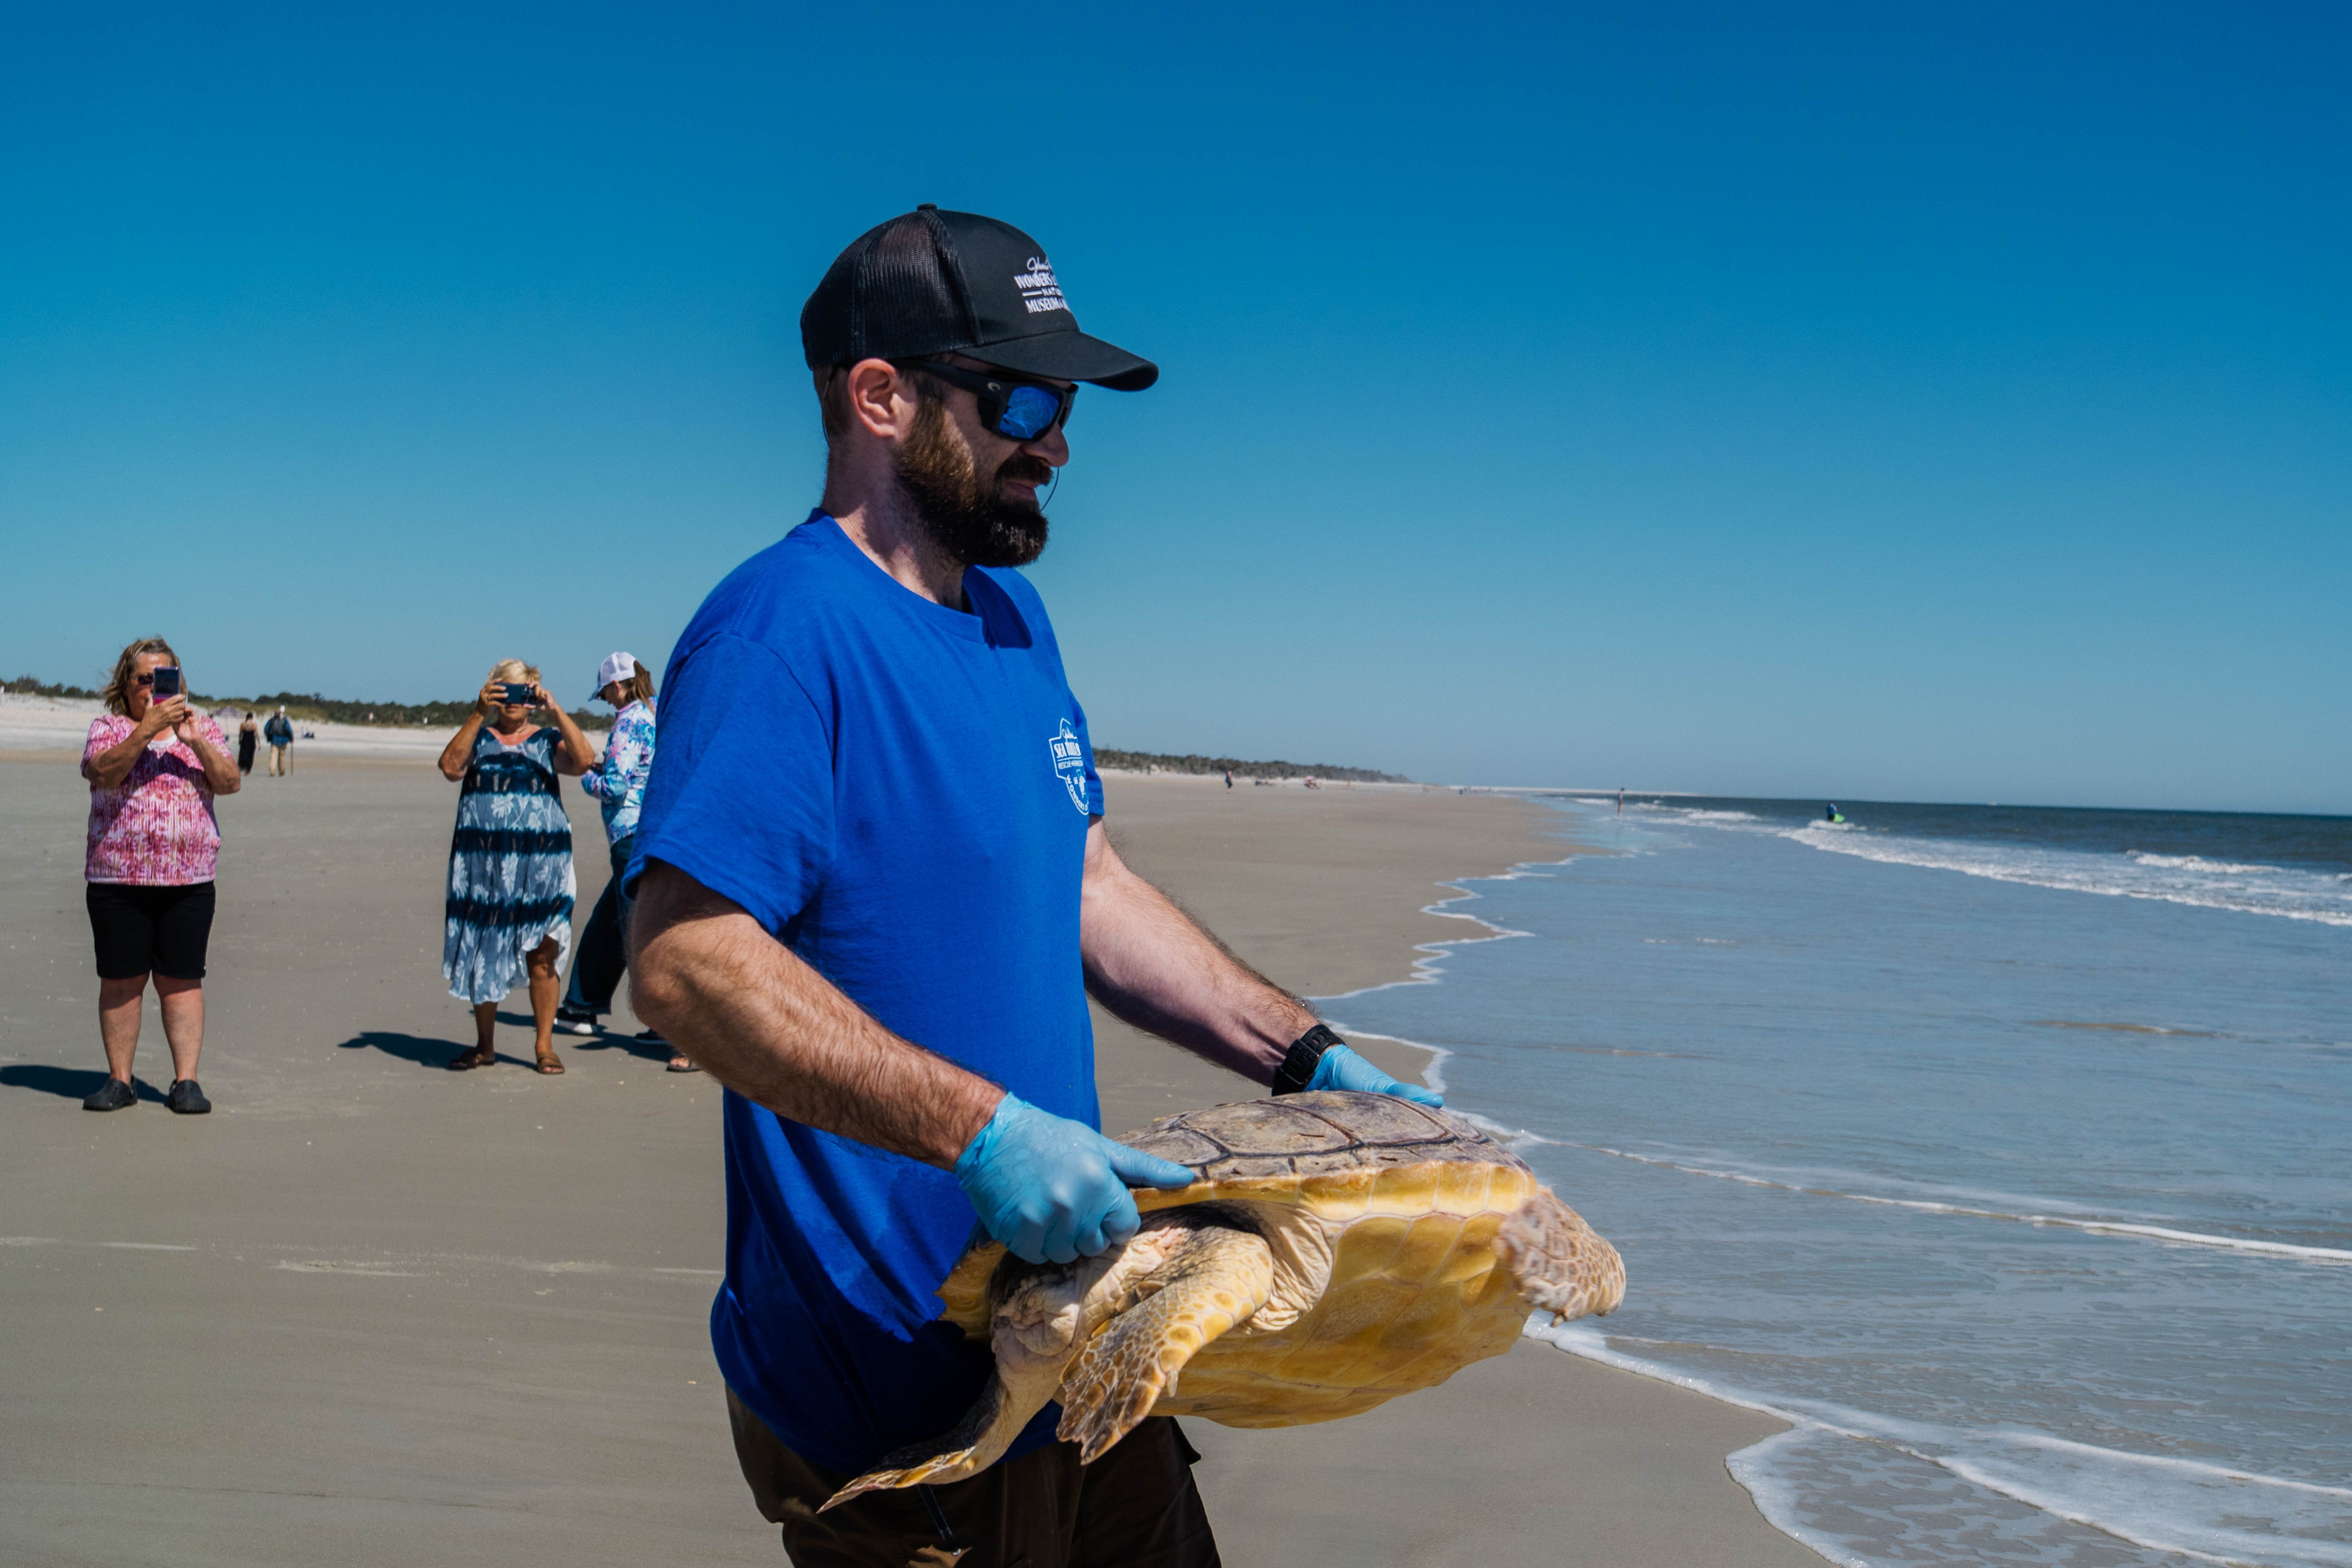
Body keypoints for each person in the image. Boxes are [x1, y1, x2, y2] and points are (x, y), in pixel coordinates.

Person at [624, 206, 1443, 1568]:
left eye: (1062, 404)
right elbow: (683, 958)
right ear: (878, 396)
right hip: (895, 1393)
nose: (1054, 442)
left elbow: (1087, 882)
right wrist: (985, 1132)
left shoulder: (1011, 617)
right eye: (1018, 396)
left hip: (1079, 1330)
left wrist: (1308, 1058)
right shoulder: (780, 630)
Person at [78, 637, 241, 1114]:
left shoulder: (204, 727)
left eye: (162, 678)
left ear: (179, 683)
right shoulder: (108, 727)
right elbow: (101, 773)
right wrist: (145, 732)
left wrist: (195, 742)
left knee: (182, 980)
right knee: (121, 981)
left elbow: (230, 783)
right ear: (126, 686)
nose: (152, 688)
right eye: (143, 679)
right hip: (117, 879)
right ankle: (120, 1081)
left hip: (188, 880)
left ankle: (186, 1081)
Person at [436, 661, 597, 1074]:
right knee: (482, 949)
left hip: (542, 868)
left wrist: (557, 712)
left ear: (534, 696)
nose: (512, 700)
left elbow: (582, 762)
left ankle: (544, 1045)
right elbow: (451, 769)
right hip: (484, 866)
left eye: (522, 692)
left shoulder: (547, 739)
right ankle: (484, 1045)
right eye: (503, 691)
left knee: (543, 951)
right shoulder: (480, 737)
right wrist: (476, 713)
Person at [552, 652, 691, 1070]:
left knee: (638, 926)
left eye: (607, 693)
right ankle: (582, 1003)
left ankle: (671, 1026)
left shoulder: (629, 720)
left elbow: (614, 786)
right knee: (613, 917)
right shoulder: (657, 712)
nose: (607, 701)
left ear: (618, 686)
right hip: (653, 829)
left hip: (629, 834)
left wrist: (587, 776)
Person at [262, 705, 293, 776]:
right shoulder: (285, 721)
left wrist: (269, 736)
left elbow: (266, 729)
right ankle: (282, 771)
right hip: (284, 741)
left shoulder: (271, 721)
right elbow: (289, 730)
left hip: (274, 740)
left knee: (274, 756)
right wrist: (291, 738)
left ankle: (273, 772)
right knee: (282, 757)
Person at [236, 710, 258, 774]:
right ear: (252, 718)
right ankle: (248, 769)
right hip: (252, 740)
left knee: (243, 754)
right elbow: (256, 734)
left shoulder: (243, 725)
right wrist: (259, 743)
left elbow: (240, 733)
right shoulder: (254, 725)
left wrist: (240, 740)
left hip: (245, 740)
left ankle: (242, 766)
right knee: (251, 755)